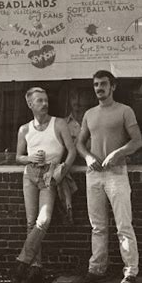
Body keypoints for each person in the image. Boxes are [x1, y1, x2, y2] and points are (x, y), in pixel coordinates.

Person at [76, 70, 142, 283]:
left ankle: (131, 271)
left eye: (103, 84)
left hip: (116, 174)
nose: (99, 88)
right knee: (97, 226)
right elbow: (80, 143)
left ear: (113, 86)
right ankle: (96, 269)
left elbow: (136, 141)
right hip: (94, 175)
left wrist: (117, 154)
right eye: (96, 84)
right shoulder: (89, 113)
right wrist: (86, 157)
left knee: (123, 224)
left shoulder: (125, 111)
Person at [12, 87, 76, 283]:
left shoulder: (59, 124)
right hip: (30, 174)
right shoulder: (24, 129)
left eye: (46, 100)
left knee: (43, 220)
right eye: (39, 100)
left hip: (50, 174)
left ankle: (22, 261)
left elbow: (72, 152)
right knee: (31, 222)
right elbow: (18, 157)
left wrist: (60, 172)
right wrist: (29, 158)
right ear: (30, 104)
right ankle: (35, 268)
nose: (44, 104)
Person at [56, 89, 93, 223]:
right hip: (70, 167)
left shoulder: (92, 122)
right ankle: (67, 208)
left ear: (87, 100)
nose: (77, 102)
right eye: (73, 97)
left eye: (81, 97)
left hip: (89, 167)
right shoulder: (63, 124)